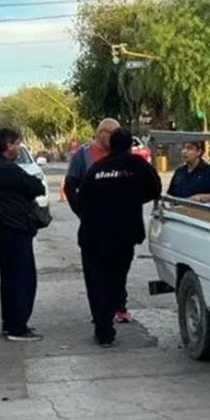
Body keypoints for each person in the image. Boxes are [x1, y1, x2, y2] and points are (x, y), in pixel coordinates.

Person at [75, 128, 162, 347]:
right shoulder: (138, 166)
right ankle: (107, 323)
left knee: (95, 282)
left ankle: (102, 329)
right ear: (130, 145)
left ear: (110, 145)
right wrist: (131, 200)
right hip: (122, 235)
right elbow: (155, 188)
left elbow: (82, 197)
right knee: (116, 280)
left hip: (93, 235)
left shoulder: (97, 168)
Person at [0, 128, 47, 342]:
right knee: (22, 278)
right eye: (17, 143)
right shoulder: (7, 170)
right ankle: (18, 326)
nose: (19, 148)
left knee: (10, 278)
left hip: (5, 228)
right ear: (8, 144)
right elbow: (36, 186)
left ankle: (11, 323)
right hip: (16, 228)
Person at [64, 118, 119, 212]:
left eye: (118, 134)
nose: (116, 138)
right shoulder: (82, 155)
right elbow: (70, 186)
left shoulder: (121, 154)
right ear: (100, 133)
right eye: (112, 133)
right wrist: (81, 212)